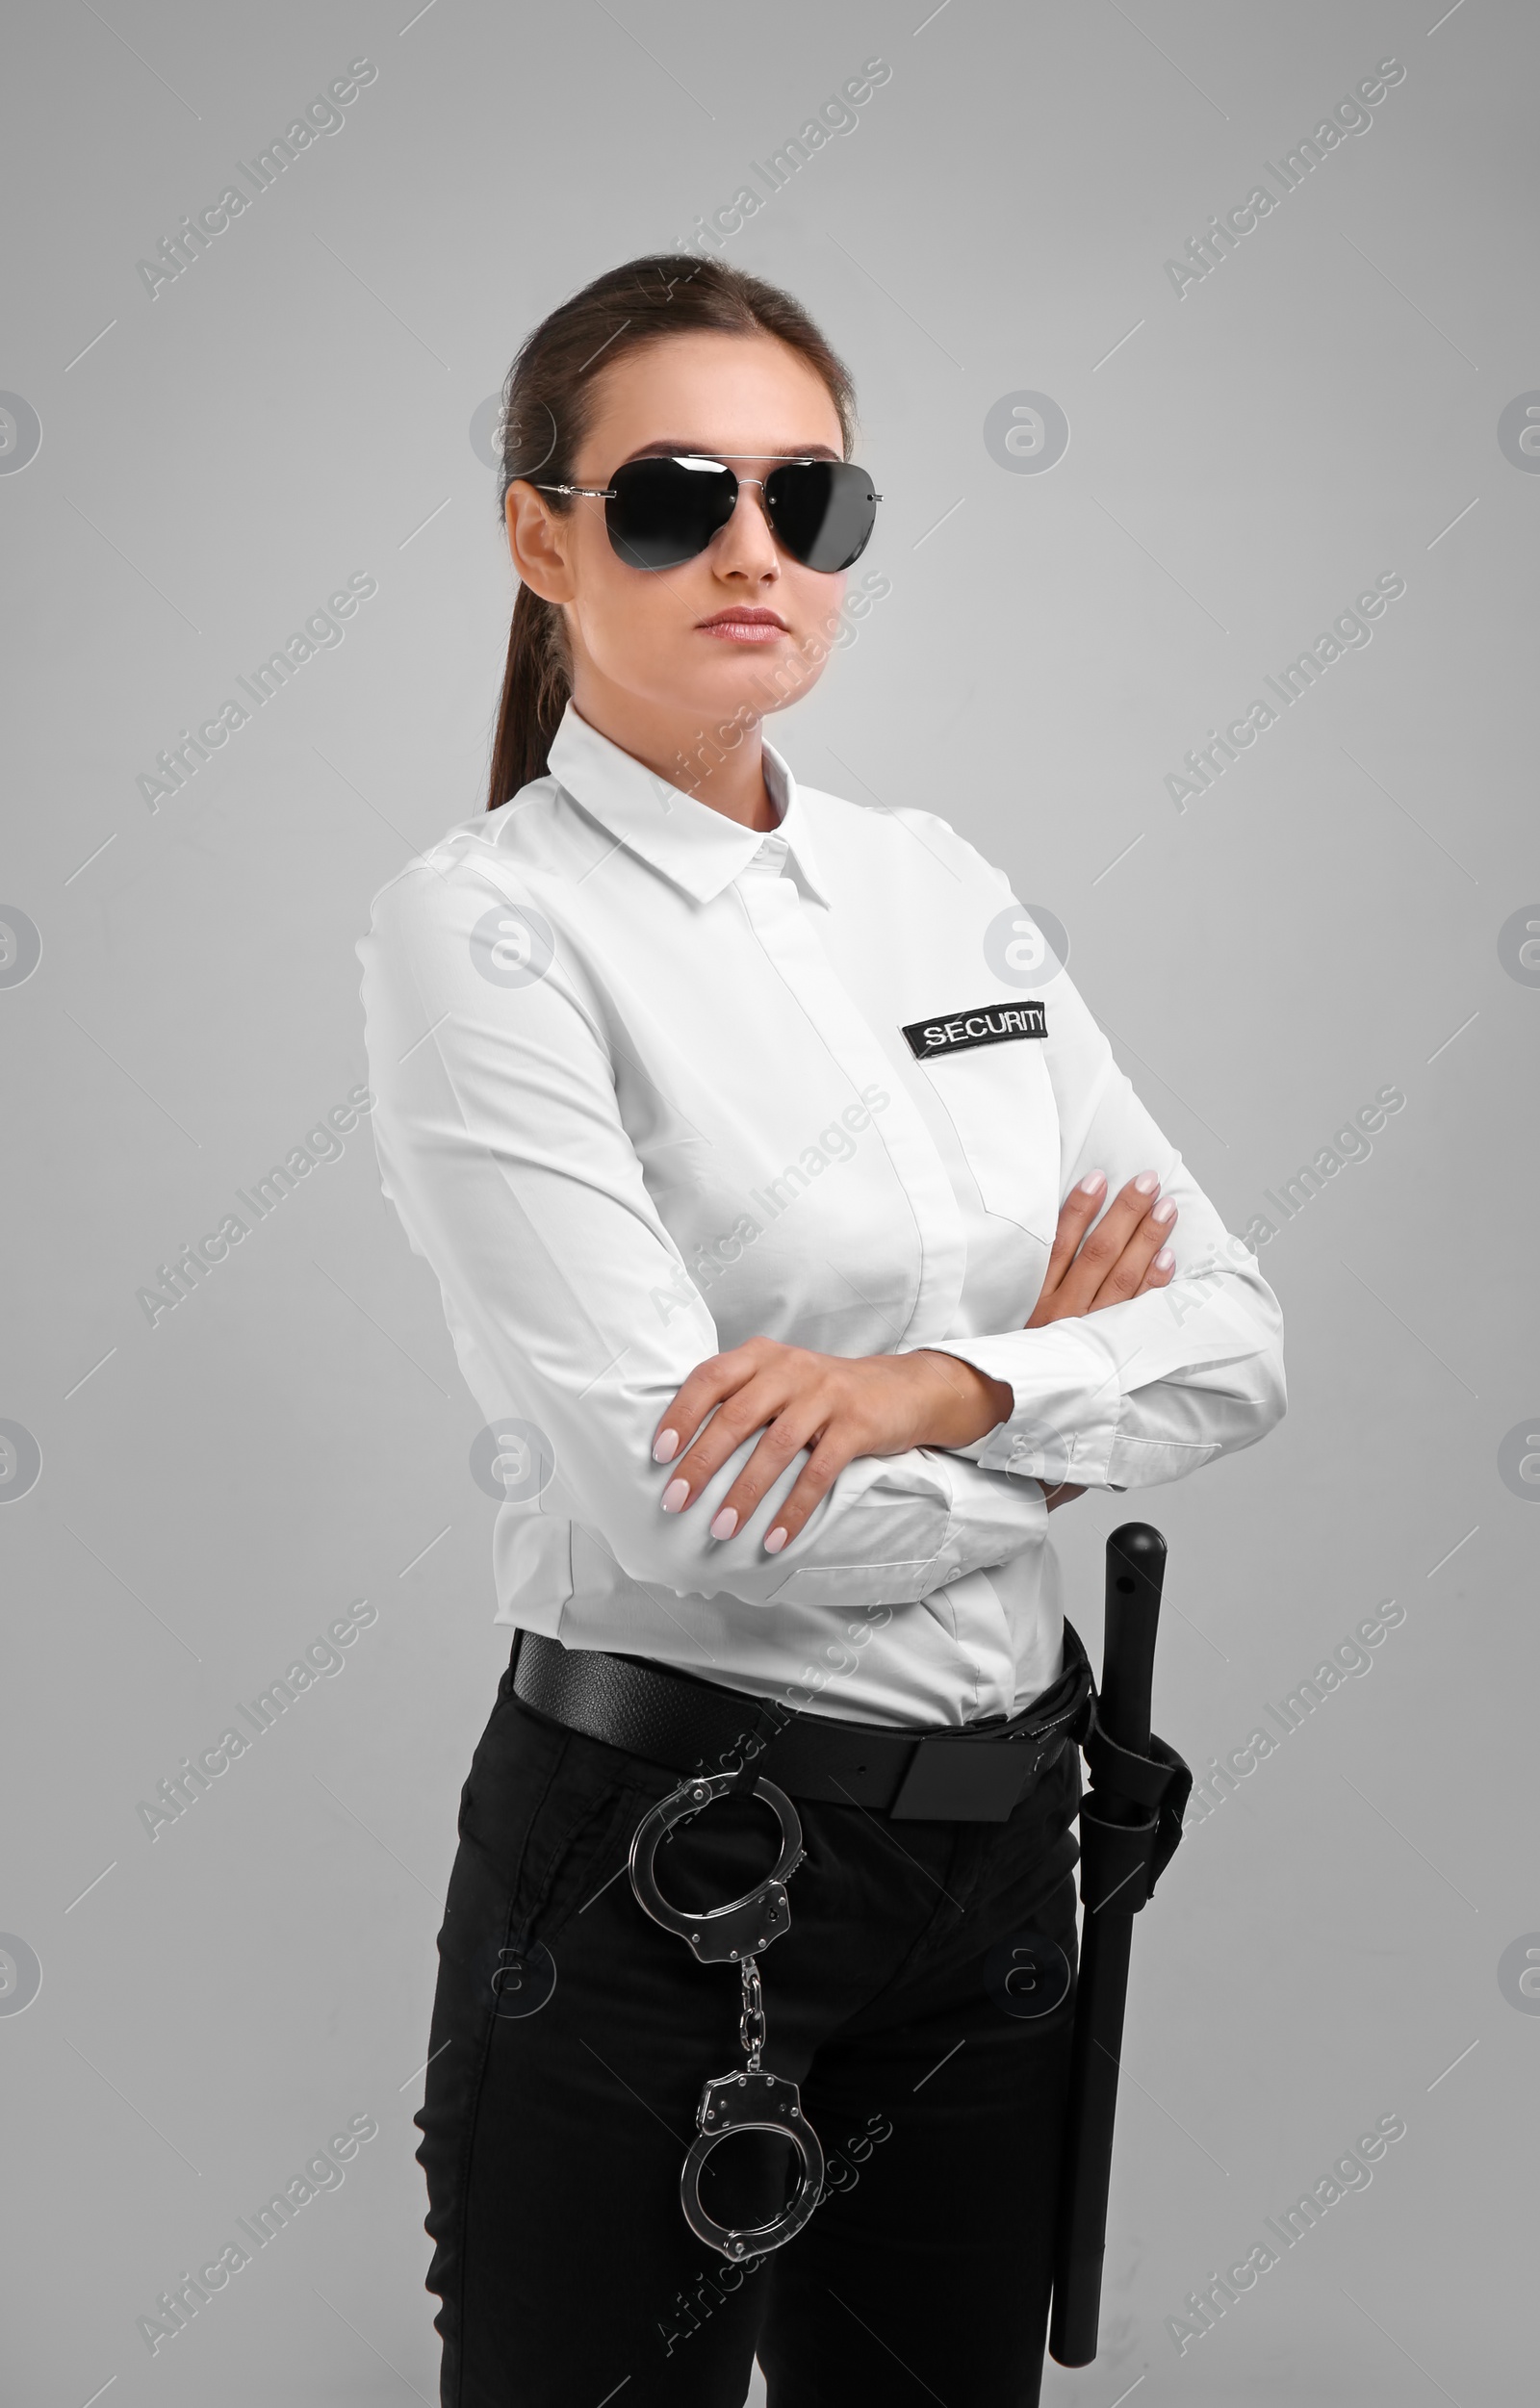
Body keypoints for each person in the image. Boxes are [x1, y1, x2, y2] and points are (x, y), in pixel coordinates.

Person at [355, 252, 1286, 2408]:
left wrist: (924, 1392)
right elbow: (702, 1528)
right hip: (679, 1875)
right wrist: (1063, 1419)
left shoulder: (934, 881)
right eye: (675, 496)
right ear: (541, 537)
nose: (752, 551)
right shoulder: (483, 930)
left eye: (809, 498)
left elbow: (1236, 1335)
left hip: (998, 1865)